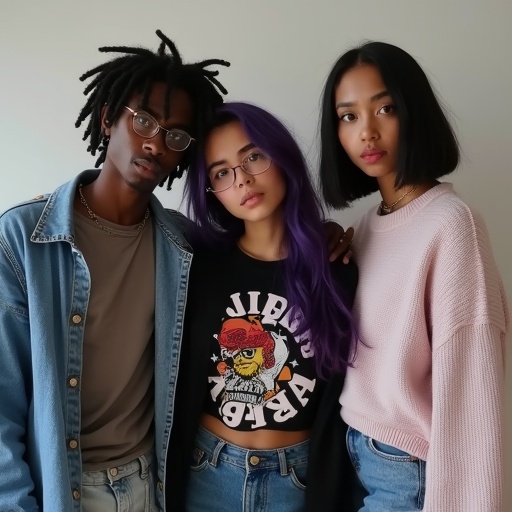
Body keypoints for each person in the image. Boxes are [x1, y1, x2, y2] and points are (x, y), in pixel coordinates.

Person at [0, 29, 231, 512]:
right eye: (144, 120)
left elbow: (259, 247)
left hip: (151, 485)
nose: (155, 143)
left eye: (175, 135)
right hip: (62, 491)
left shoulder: (182, 243)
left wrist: (326, 237)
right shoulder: (22, 238)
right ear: (108, 120)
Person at [318, 41, 509, 511]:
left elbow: (473, 385)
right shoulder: (366, 226)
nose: (367, 131)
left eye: (385, 108)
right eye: (348, 117)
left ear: (414, 111)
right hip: (353, 453)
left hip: (407, 472)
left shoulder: (451, 224)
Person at [166, 102, 364, 512]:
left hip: (296, 480)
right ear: (212, 191)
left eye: (253, 156)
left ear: (281, 155)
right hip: (208, 471)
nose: (242, 180)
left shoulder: (337, 271)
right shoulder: (198, 265)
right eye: (221, 173)